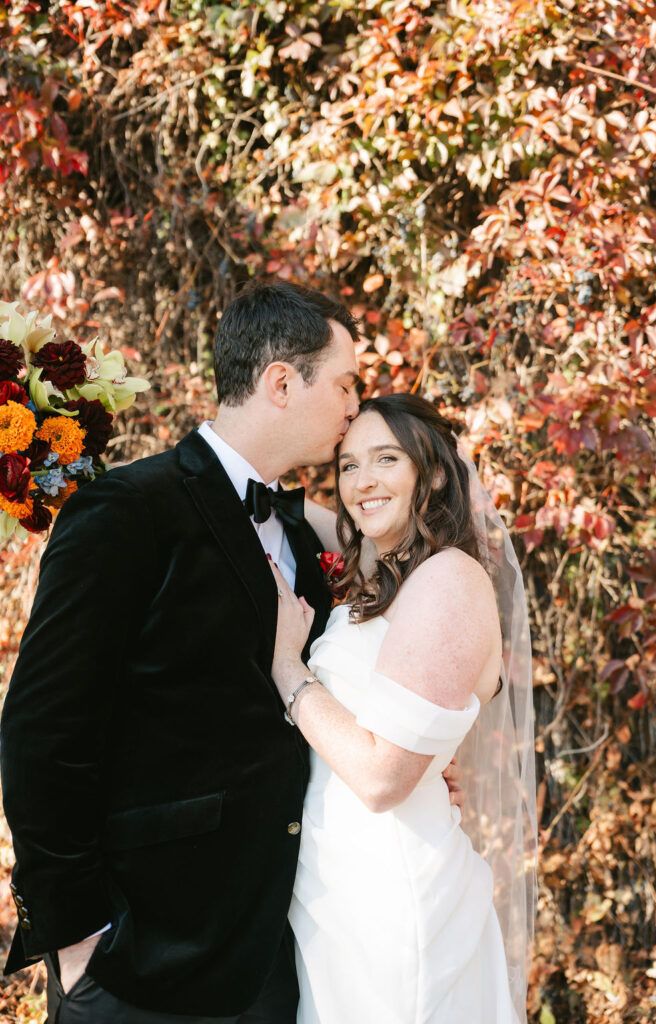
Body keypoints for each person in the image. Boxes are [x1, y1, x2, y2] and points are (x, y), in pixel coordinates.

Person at [0, 282, 465, 1024]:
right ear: (282, 382)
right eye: (345, 384)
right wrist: (80, 937)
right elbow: (40, 735)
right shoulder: (127, 511)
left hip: (278, 953)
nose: (354, 405)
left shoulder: (306, 532)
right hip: (141, 960)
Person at [268, 393, 537, 1024]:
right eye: (349, 465)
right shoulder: (385, 567)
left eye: (386, 459)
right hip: (334, 888)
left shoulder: (449, 581)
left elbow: (383, 776)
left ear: (434, 473)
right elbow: (304, 511)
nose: (363, 482)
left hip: (392, 892)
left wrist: (287, 667)